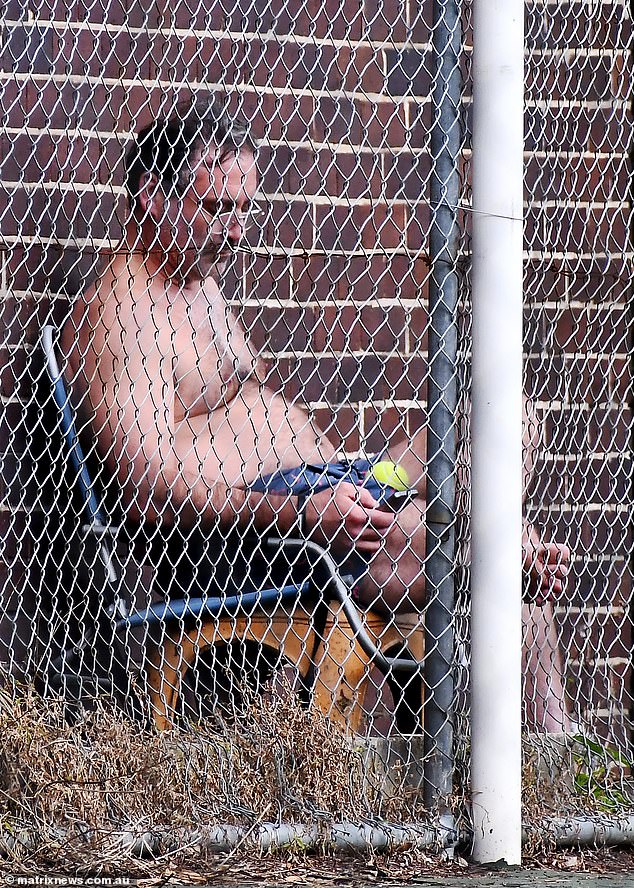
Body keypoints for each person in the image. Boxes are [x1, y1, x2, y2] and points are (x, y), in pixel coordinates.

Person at [61, 96, 571, 730]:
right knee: (496, 559)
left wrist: (325, 496)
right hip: (258, 536)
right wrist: (301, 510)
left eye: (244, 210)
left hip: (336, 490)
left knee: (503, 420)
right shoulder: (123, 314)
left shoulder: (198, 283)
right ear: (154, 198)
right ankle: (503, 586)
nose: (238, 231)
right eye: (218, 208)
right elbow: (146, 488)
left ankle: (558, 752)